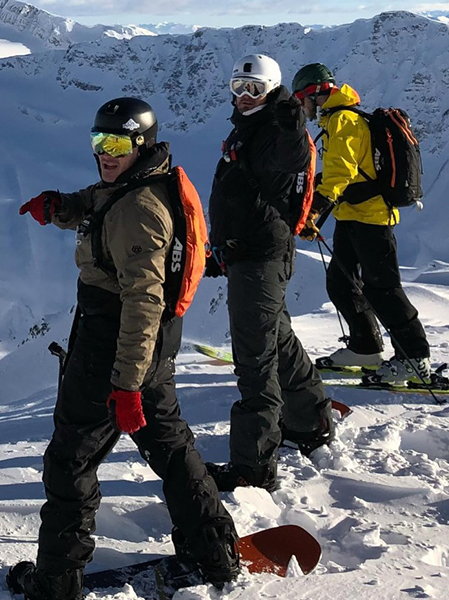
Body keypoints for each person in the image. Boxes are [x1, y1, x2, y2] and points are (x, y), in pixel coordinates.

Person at [8, 97, 240, 600]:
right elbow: (99, 199)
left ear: (142, 144)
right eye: (99, 142)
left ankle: (56, 581)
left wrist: (125, 385)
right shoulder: (141, 182)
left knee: (70, 461)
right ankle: (213, 549)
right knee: (172, 448)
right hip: (151, 352)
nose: (105, 154)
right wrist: (62, 207)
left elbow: (143, 302)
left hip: (114, 350)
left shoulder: (139, 209)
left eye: (116, 144)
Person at [205, 54, 334, 494]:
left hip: (261, 259)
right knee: (277, 342)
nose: (243, 97)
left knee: (255, 361)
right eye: (237, 87)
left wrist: (293, 125)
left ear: (271, 90)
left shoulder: (278, 127)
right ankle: (311, 420)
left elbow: (294, 157)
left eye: (253, 89)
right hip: (248, 254)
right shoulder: (249, 126)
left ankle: (253, 466)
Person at [292, 63, 431, 384]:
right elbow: (344, 172)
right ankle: (366, 347)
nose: (302, 107)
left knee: (383, 289)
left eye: (302, 99)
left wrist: (314, 211)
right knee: (341, 284)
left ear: (315, 94)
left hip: (372, 219)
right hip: (352, 215)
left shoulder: (344, 121)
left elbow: (341, 172)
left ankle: (415, 357)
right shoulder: (338, 119)